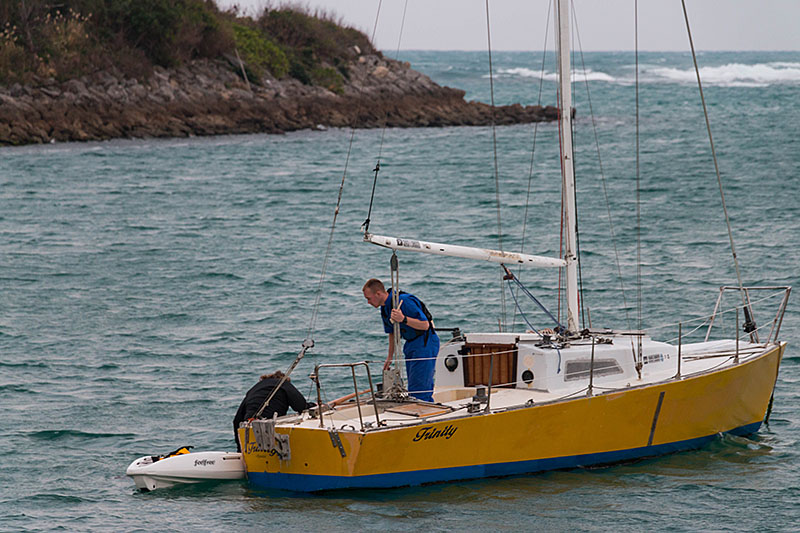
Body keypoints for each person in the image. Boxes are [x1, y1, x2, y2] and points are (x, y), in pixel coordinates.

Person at [362, 278, 439, 402]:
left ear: (378, 294)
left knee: (419, 386)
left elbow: (425, 325)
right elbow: (391, 332)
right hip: (410, 343)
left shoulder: (404, 301)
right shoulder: (384, 308)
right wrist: (390, 356)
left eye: (369, 298)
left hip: (425, 342)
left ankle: (425, 410)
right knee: (413, 382)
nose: (368, 302)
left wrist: (403, 319)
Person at [232, 370, 311, 452]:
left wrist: (240, 449)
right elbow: (301, 406)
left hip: (249, 425)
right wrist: (312, 405)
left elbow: (237, 420)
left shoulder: (254, 388)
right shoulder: (283, 383)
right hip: (268, 425)